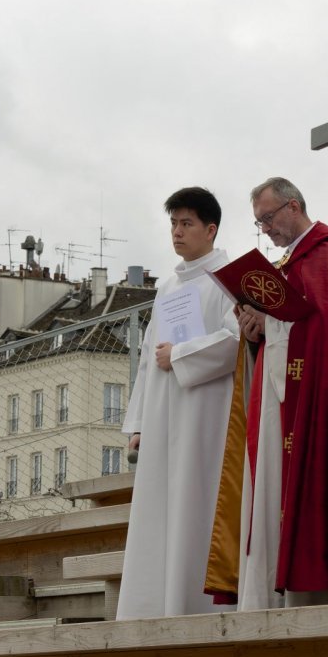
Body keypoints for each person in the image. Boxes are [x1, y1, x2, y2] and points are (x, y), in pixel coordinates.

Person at [230, 177, 328, 609]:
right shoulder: (287, 266)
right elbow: (284, 330)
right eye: (259, 223)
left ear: (293, 206)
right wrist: (255, 331)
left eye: (268, 218)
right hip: (280, 399)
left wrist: (272, 326)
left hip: (317, 400)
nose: (265, 229)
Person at [116, 187, 239, 619]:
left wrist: (182, 355)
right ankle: (154, 605)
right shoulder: (168, 285)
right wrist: (138, 425)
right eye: (173, 224)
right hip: (166, 414)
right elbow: (150, 356)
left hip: (206, 413)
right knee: (161, 508)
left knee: (197, 502)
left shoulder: (231, 277)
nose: (177, 232)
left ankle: (197, 605)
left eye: (186, 223)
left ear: (211, 229)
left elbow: (236, 340)